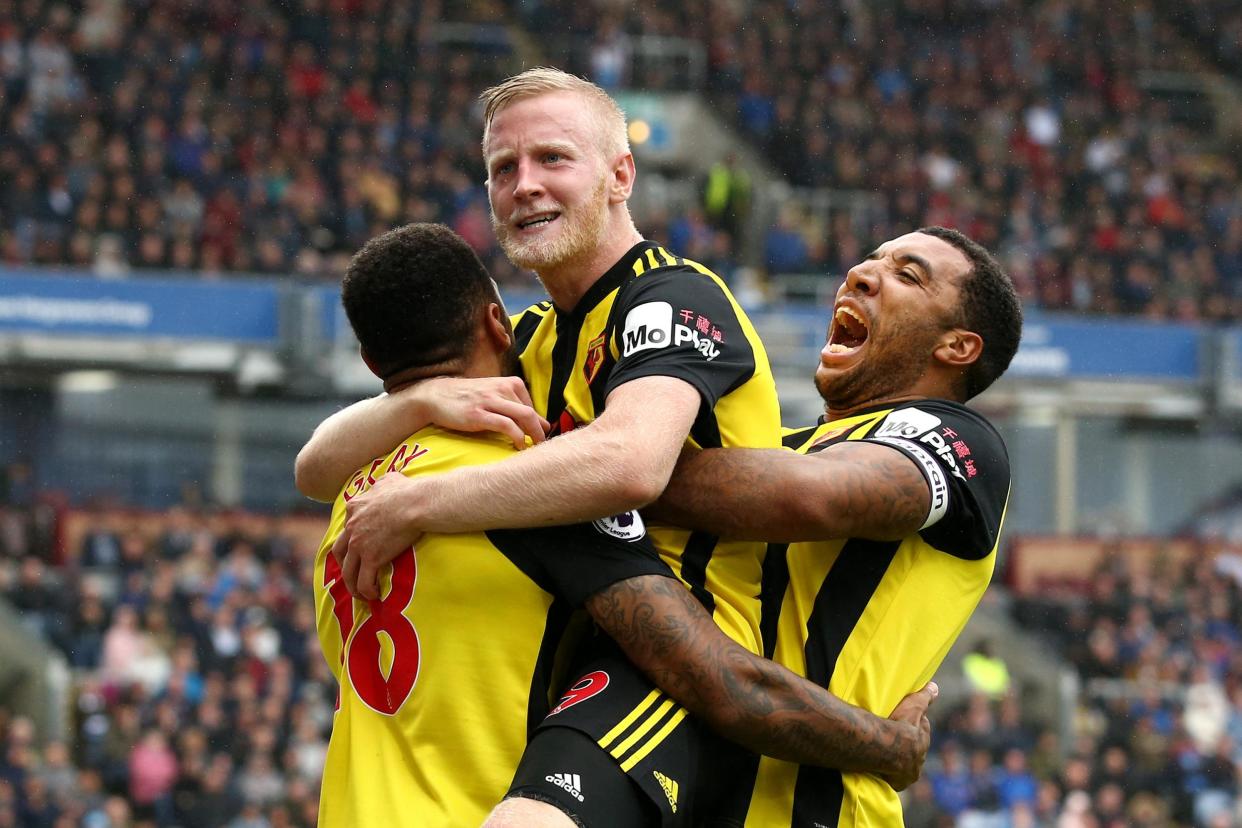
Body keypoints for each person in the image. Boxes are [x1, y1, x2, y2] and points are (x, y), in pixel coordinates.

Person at [314, 223, 935, 827]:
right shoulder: (527, 489)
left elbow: (308, 468)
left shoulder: (357, 501)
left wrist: (417, 403)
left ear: (372, 364)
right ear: (495, 322)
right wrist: (885, 745)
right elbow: (710, 675)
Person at [295, 67, 789, 823]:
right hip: (588, 647)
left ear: (621, 175)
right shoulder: (528, 339)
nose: (524, 184)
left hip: (683, 656)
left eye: (552, 159)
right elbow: (314, 467)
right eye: (503, 169)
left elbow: (630, 461)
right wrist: (417, 401)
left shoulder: (673, 298)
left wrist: (419, 500)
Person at [651, 226, 1023, 826]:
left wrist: (619, 466)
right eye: (869, 261)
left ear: (957, 347)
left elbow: (817, 498)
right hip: (684, 792)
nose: (859, 274)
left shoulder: (957, 439)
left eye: (907, 275)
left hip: (814, 808)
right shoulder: (778, 448)